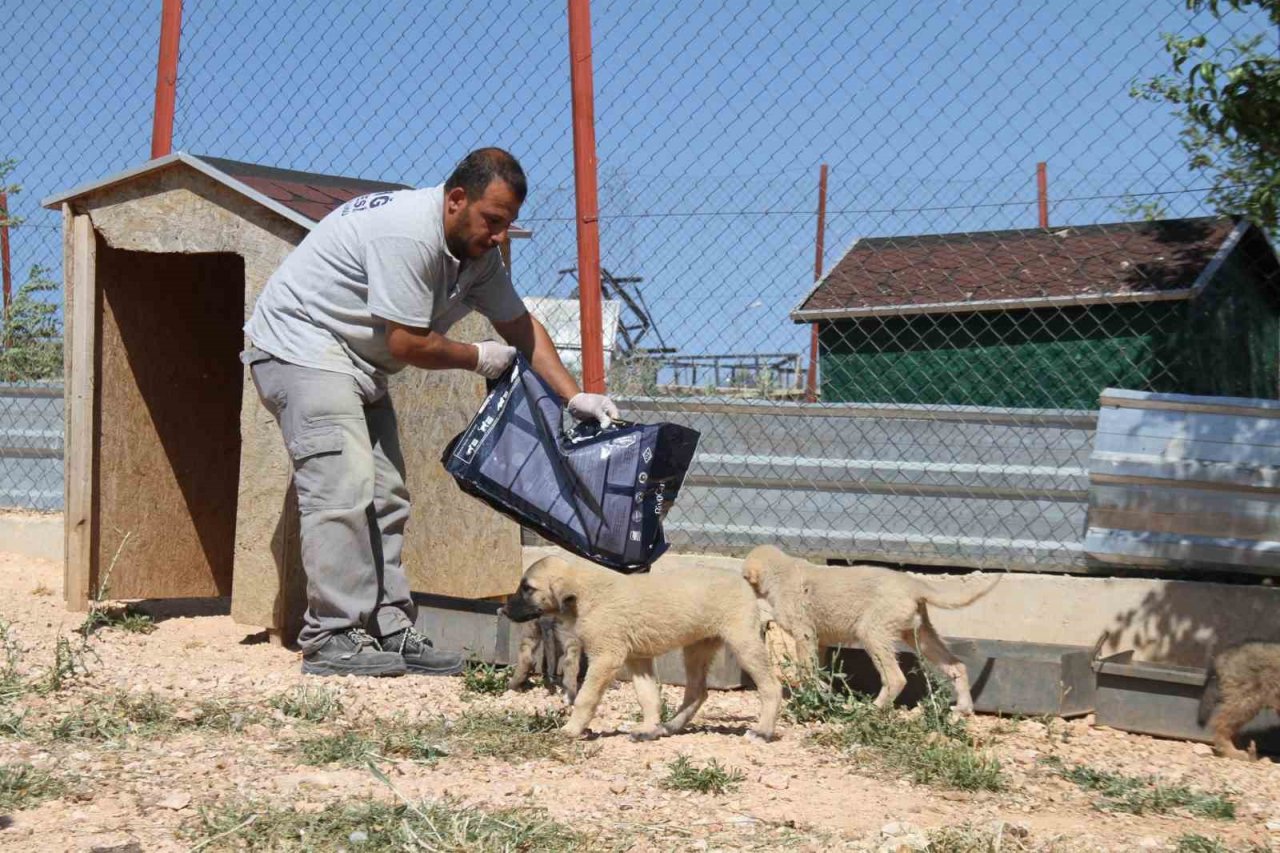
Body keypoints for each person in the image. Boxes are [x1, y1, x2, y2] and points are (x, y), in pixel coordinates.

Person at [241, 148, 618, 677]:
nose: (500, 235)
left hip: (355, 362)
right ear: (456, 199)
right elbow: (406, 343)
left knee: (386, 493)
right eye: (493, 220)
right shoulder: (408, 236)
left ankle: (388, 629)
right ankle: (330, 636)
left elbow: (521, 326)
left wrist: (573, 395)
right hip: (301, 347)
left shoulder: (477, 257)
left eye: (508, 224)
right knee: (342, 485)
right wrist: (477, 357)